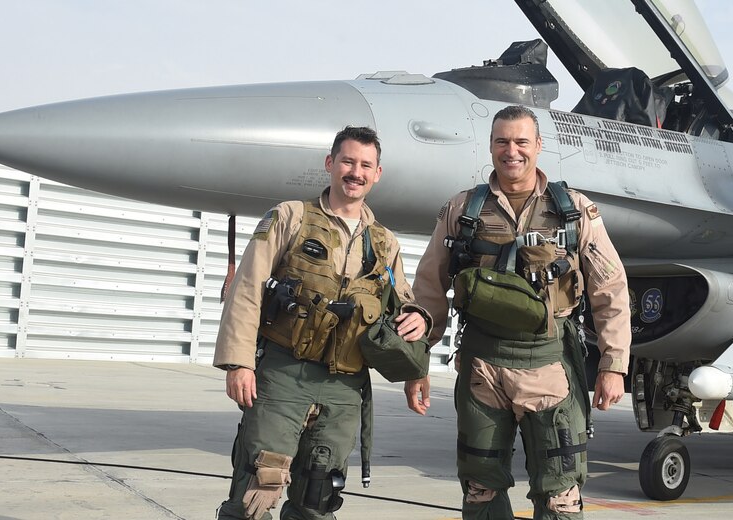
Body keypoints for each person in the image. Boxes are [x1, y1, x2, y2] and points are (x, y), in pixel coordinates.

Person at [405, 105, 631, 520]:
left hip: (549, 364)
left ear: (539, 146)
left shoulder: (574, 210)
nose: (512, 151)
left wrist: (614, 364)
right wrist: (417, 361)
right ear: (490, 147)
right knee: (479, 488)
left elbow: (610, 288)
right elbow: (429, 289)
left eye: (521, 141)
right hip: (482, 367)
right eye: (502, 141)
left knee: (561, 493)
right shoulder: (463, 210)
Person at [214, 125, 430, 520]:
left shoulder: (385, 242)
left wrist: (418, 333)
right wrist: (239, 362)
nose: (356, 172)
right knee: (256, 492)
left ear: (377, 173)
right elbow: (246, 288)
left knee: (318, 499)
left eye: (366, 165)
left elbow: (404, 306)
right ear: (330, 163)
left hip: (345, 388)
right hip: (284, 374)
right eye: (347, 161)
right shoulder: (290, 217)